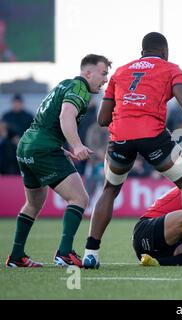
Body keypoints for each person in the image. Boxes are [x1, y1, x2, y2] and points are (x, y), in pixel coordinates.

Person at [83, 32, 182, 270]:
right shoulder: (171, 68)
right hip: (153, 136)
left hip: (120, 137)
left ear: (142, 51)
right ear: (164, 51)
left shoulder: (120, 72)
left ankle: (91, 253)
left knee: (110, 189)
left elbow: (102, 119)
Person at [5, 54, 111, 267]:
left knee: (33, 203)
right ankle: (64, 253)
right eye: (103, 74)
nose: (106, 80)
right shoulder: (80, 88)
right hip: (43, 149)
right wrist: (77, 145)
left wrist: (60, 146)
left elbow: (47, 119)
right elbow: (65, 115)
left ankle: (16, 256)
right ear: (87, 73)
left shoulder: (64, 84)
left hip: (27, 145)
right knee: (79, 198)